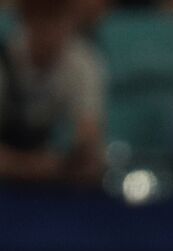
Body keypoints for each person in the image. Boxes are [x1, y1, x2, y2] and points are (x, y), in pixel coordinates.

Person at [0, 0, 105, 186]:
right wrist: (27, 166)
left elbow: (89, 134)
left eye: (57, 22)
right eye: (41, 23)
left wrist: (73, 160)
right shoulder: (5, 60)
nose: (49, 34)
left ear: (71, 23)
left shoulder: (83, 63)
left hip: (50, 166)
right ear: (26, 22)